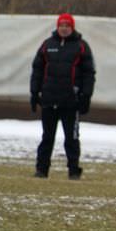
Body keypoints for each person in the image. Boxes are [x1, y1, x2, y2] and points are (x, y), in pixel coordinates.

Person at [30, 13, 95, 180]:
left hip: (71, 102)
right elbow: (37, 69)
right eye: (61, 25)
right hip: (49, 100)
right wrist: (34, 92)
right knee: (47, 137)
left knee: (71, 139)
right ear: (57, 27)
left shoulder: (81, 46)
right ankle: (41, 169)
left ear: (72, 27)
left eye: (67, 25)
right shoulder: (47, 45)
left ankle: (73, 171)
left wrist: (86, 96)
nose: (64, 28)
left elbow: (89, 73)